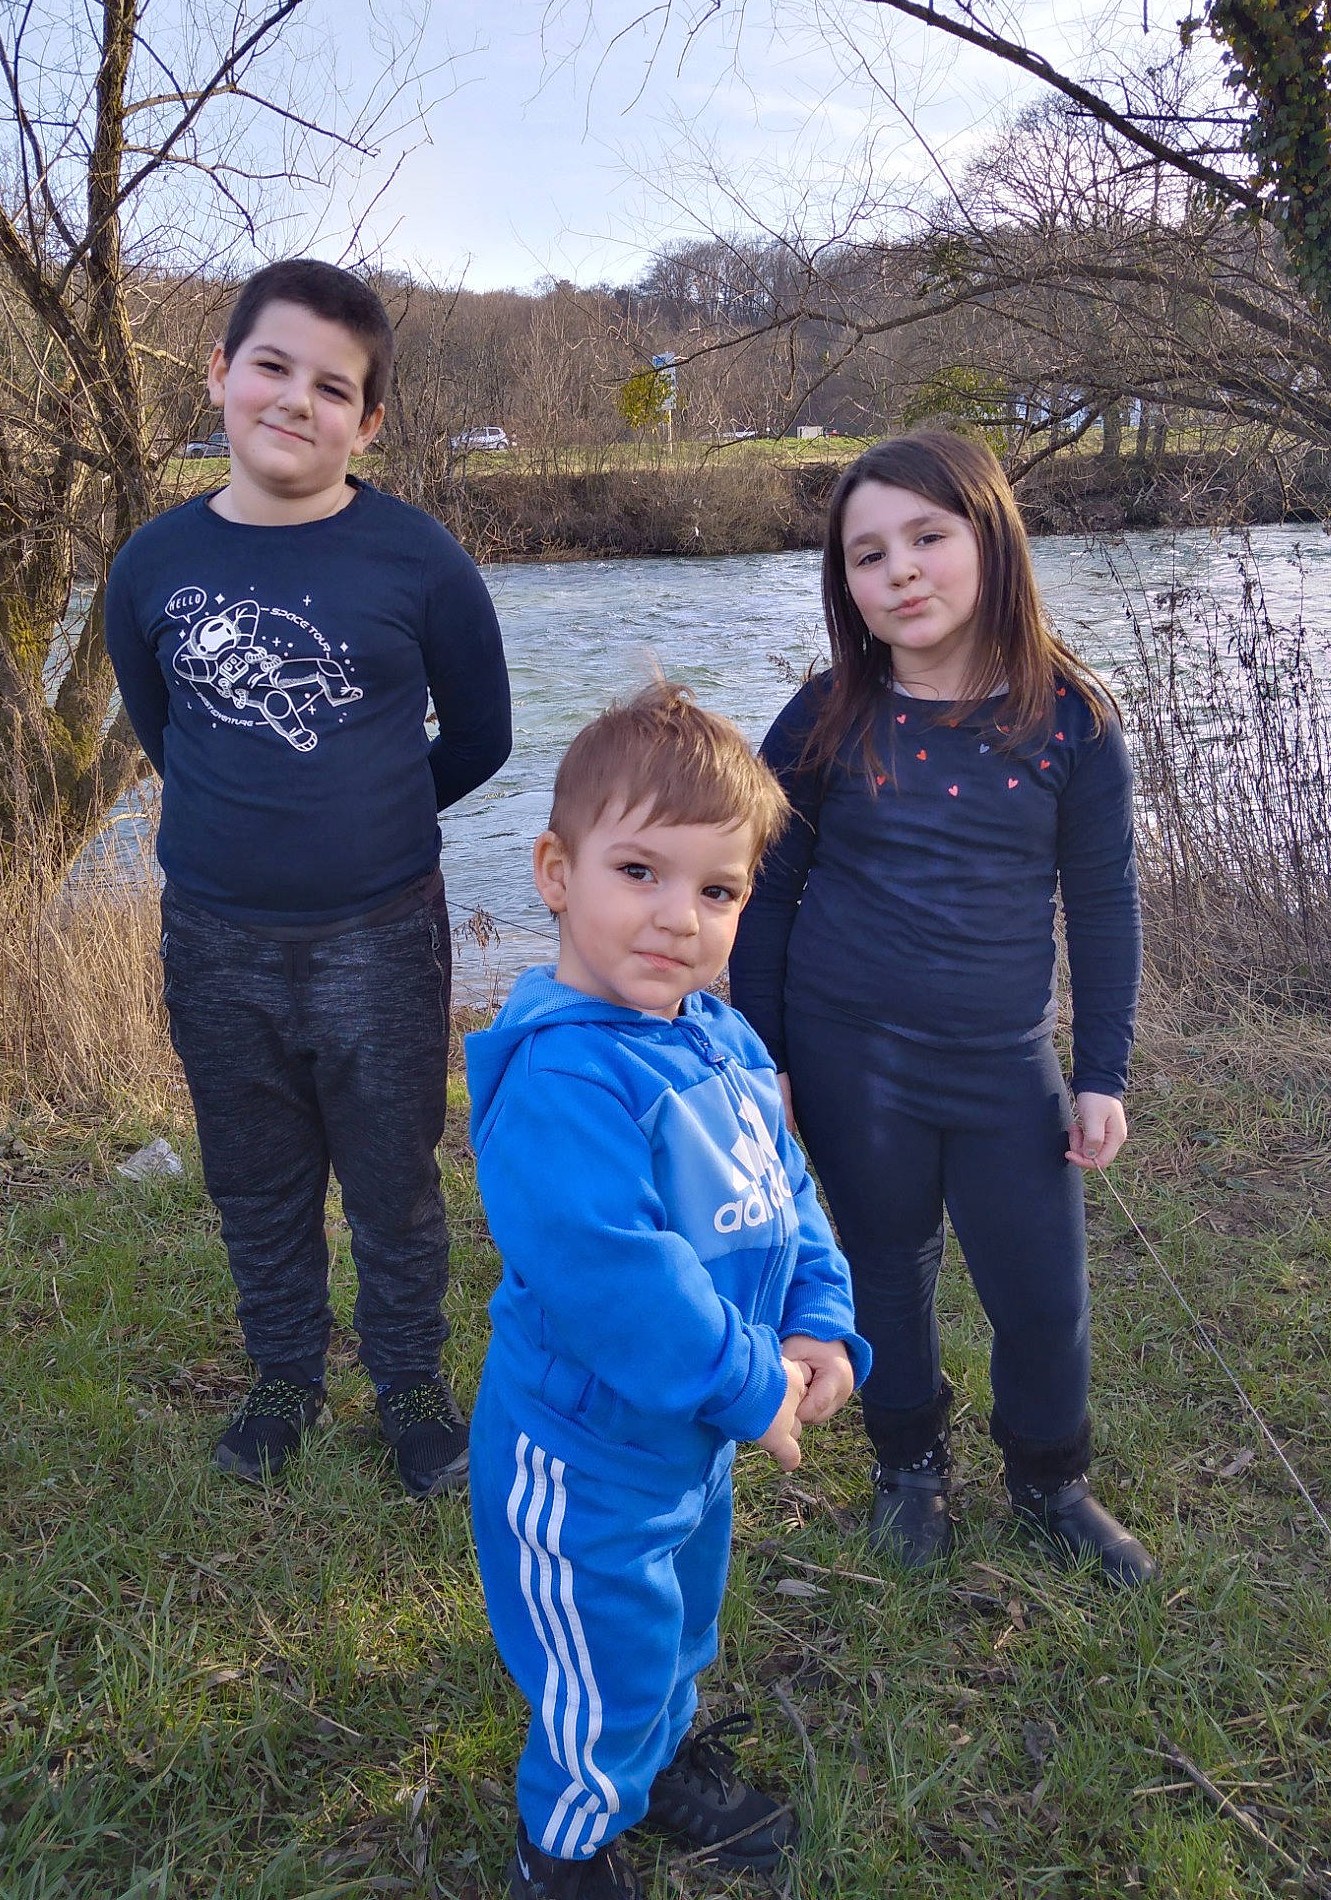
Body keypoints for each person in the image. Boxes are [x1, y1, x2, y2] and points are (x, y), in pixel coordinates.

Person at [105, 259, 512, 1497]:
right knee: (254, 1175)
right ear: (222, 373)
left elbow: (483, 737)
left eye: (334, 387)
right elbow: (161, 726)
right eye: (272, 366)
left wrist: (370, 818)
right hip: (215, 939)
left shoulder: (419, 559)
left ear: (369, 420)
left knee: (394, 1180)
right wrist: (255, 825)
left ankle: (408, 1386)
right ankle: (284, 1373)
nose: (296, 400)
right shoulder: (151, 564)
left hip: (381, 936)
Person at [466, 682, 871, 1899]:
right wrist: (751, 1380)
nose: (676, 919)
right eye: (638, 871)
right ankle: (568, 1838)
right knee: (604, 1651)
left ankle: (660, 1752)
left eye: (717, 889)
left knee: (680, 1618)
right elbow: (614, 1273)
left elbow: (787, 1190)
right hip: (584, 1452)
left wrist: (818, 1317)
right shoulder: (562, 1076)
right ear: (554, 869)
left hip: (690, 1437)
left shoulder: (724, 1037)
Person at [730, 431, 1155, 1588]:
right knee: (882, 1266)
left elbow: (1104, 906)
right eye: (868, 555)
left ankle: (1050, 1480)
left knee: (1043, 1290)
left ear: (992, 541)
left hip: (1002, 1060)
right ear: (846, 585)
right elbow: (765, 898)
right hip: (847, 1055)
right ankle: (908, 1465)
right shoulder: (824, 716)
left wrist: (1102, 1072)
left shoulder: (1073, 721)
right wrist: (761, 1059)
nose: (901, 571)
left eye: (927, 537)